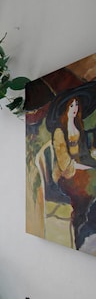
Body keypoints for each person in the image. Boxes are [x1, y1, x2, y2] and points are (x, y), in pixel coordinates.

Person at [48, 84, 96, 250]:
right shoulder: (59, 132)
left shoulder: (78, 127)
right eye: (71, 105)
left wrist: (91, 158)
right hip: (66, 175)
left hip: (81, 168)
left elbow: (83, 153)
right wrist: (84, 167)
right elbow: (65, 163)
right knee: (88, 188)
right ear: (65, 108)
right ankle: (81, 223)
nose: (75, 108)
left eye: (76, 105)